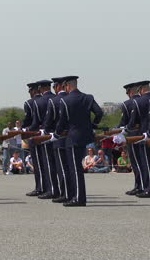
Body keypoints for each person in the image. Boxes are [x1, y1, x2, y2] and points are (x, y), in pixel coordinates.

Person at [54, 75, 103, 206]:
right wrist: (93, 125)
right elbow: (99, 113)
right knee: (77, 168)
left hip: (72, 137)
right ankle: (76, 196)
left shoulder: (65, 100)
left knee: (75, 169)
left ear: (67, 86)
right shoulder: (88, 98)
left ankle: (79, 198)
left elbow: (62, 121)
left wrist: (56, 134)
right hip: (85, 136)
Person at [125, 81, 150, 198]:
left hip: (142, 136)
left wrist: (126, 128)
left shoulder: (138, 102)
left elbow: (132, 122)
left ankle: (149, 189)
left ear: (141, 89)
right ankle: (148, 187)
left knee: (145, 164)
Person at [43, 76, 70, 203]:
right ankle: (72, 192)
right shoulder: (73, 99)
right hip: (72, 137)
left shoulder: (54, 101)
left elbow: (49, 122)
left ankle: (65, 193)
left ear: (59, 86)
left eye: (54, 86)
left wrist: (46, 130)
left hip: (58, 138)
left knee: (61, 167)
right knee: (71, 167)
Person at [117, 82, 143, 195]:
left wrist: (115, 130)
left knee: (136, 162)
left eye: (128, 92)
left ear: (131, 91)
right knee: (145, 163)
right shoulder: (147, 100)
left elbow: (123, 123)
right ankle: (146, 185)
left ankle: (139, 185)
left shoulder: (127, 104)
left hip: (132, 135)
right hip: (146, 136)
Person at [24, 82, 45, 197]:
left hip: (34, 134)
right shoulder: (48, 100)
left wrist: (24, 128)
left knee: (37, 163)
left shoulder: (29, 103)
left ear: (33, 91)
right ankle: (49, 187)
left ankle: (39, 187)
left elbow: (28, 120)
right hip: (47, 135)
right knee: (47, 163)